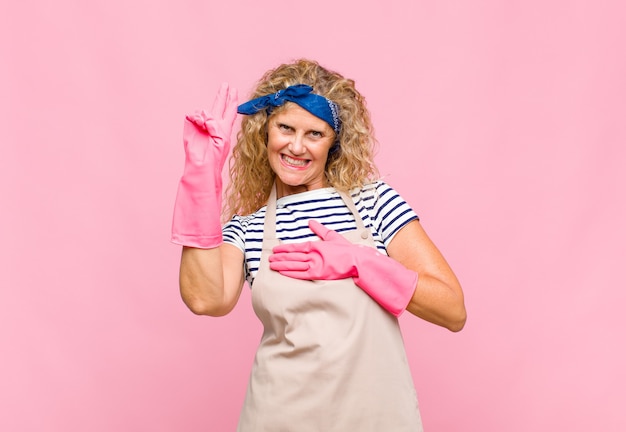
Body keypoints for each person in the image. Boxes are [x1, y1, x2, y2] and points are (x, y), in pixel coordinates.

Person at [171, 59, 466, 431]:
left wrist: (361, 262)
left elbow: (453, 310)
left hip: (376, 421)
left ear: (334, 142)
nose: (296, 146)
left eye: (315, 134)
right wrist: (199, 178)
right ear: (265, 132)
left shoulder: (374, 203)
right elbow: (205, 299)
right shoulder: (247, 229)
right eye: (285, 128)